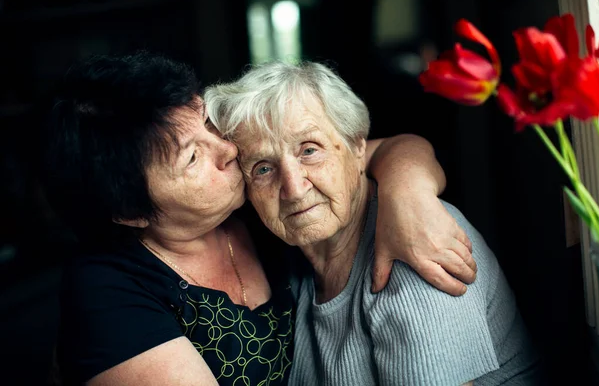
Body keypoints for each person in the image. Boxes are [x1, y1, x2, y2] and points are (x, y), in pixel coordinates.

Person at [40, 51, 474, 386]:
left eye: (208, 123)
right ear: (132, 213)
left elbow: (377, 150)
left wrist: (408, 198)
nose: (228, 150)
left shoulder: (258, 193)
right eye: (193, 157)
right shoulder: (107, 289)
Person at [205, 60, 544, 385]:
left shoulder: (416, 252)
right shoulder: (294, 259)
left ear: (357, 148)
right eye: (263, 168)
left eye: (309, 150)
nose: (293, 189)